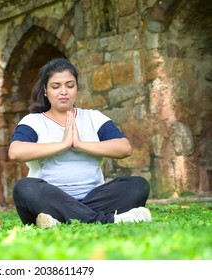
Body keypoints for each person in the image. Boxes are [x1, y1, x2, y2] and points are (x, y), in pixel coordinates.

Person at [8, 57, 152, 228]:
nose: (64, 92)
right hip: (50, 200)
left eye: (70, 85)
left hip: (93, 198)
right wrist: (63, 145)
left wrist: (80, 144)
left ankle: (61, 220)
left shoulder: (93, 117)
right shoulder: (34, 121)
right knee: (24, 188)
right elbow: (15, 152)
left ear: (76, 89)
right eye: (56, 86)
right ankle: (109, 220)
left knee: (137, 185)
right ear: (46, 91)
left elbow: (124, 148)